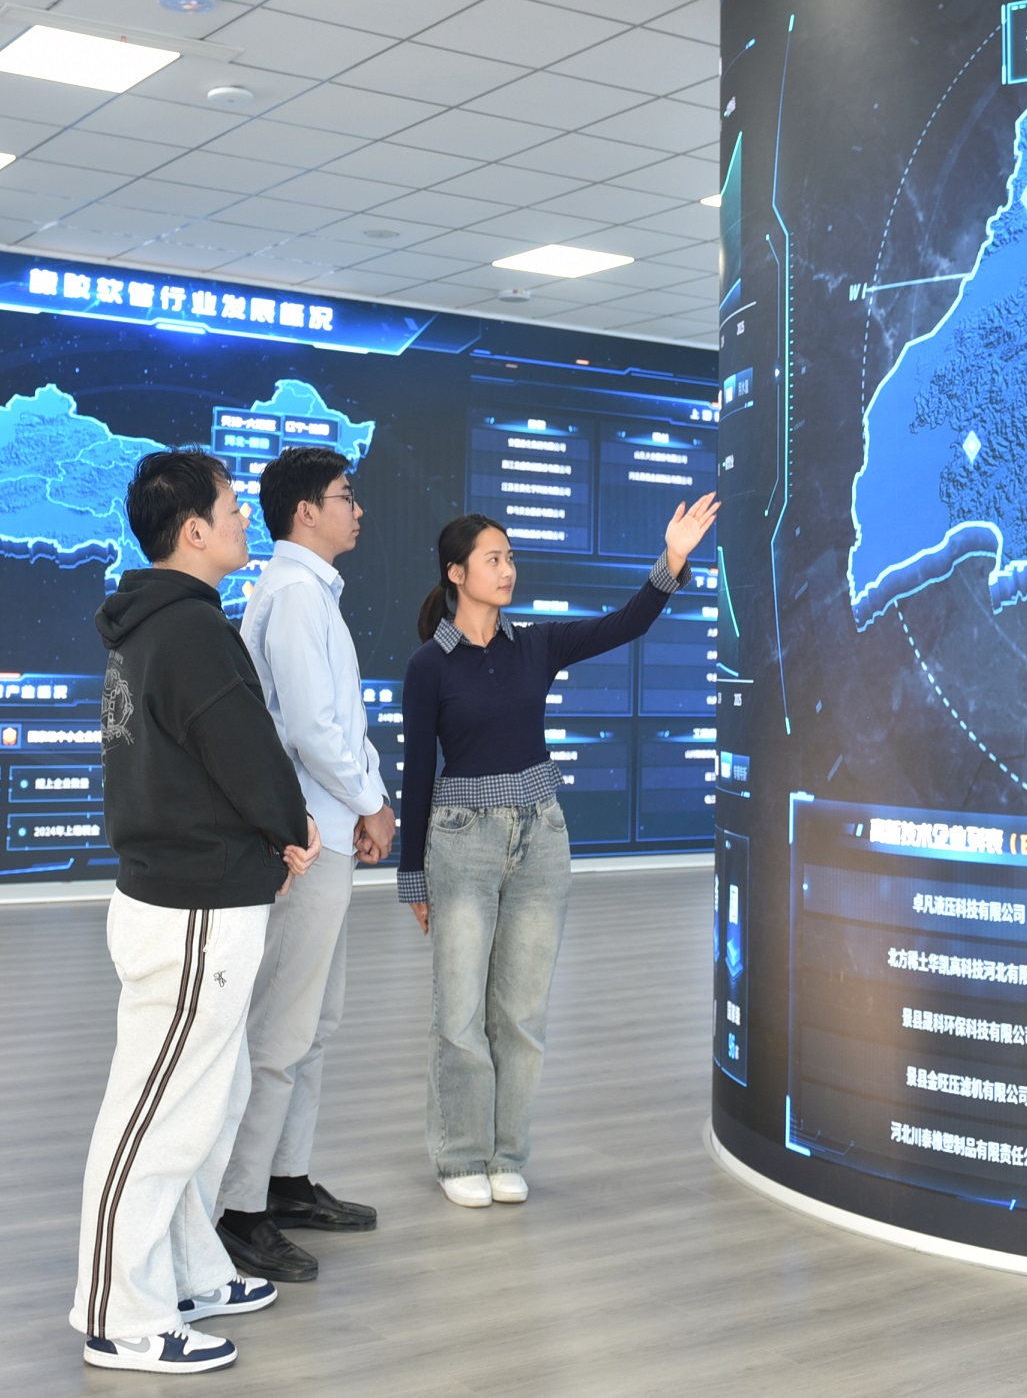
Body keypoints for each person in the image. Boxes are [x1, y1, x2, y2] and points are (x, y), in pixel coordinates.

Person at [70, 449, 320, 1377]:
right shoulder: (190, 632)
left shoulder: (154, 627)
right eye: (232, 507)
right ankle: (119, 1313)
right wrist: (290, 826)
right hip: (193, 909)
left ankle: (186, 1271)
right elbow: (247, 754)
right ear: (193, 530)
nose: (246, 519)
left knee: (206, 1103)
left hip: (192, 896)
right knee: (156, 1115)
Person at [396, 494, 720, 1208]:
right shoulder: (429, 666)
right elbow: (417, 773)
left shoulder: (536, 644)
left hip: (541, 838)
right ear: (456, 573)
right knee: (459, 1012)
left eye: (510, 557)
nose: (508, 569)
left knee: (521, 1012)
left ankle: (506, 1153)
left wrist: (671, 560)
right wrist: (412, 877)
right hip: (461, 843)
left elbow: (625, 623)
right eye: (493, 559)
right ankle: (460, 1155)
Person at [214, 446, 396, 1284]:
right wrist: (370, 802)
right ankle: (239, 1208)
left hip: (333, 828)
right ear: (306, 512)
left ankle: (285, 1181)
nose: (358, 509)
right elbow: (311, 731)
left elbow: (340, 720)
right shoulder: (291, 595)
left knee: (315, 1021)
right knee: (280, 1030)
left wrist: (371, 798)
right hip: (307, 840)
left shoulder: (311, 593)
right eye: (346, 496)